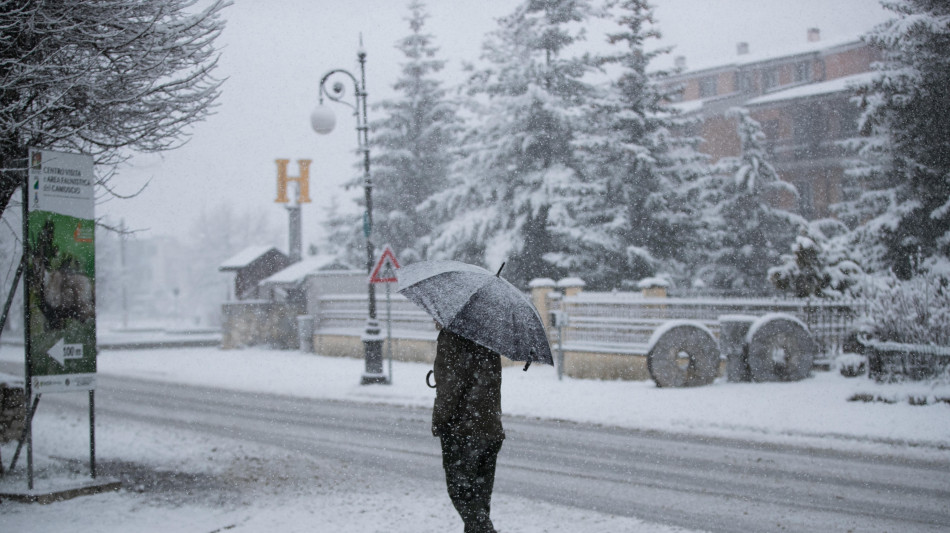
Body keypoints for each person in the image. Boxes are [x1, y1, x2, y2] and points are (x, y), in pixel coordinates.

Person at [432, 323, 504, 533]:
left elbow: (450, 388)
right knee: (479, 501)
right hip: (490, 429)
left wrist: (440, 421)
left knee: (461, 493)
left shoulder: (451, 336)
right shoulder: (488, 335)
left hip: (462, 430)